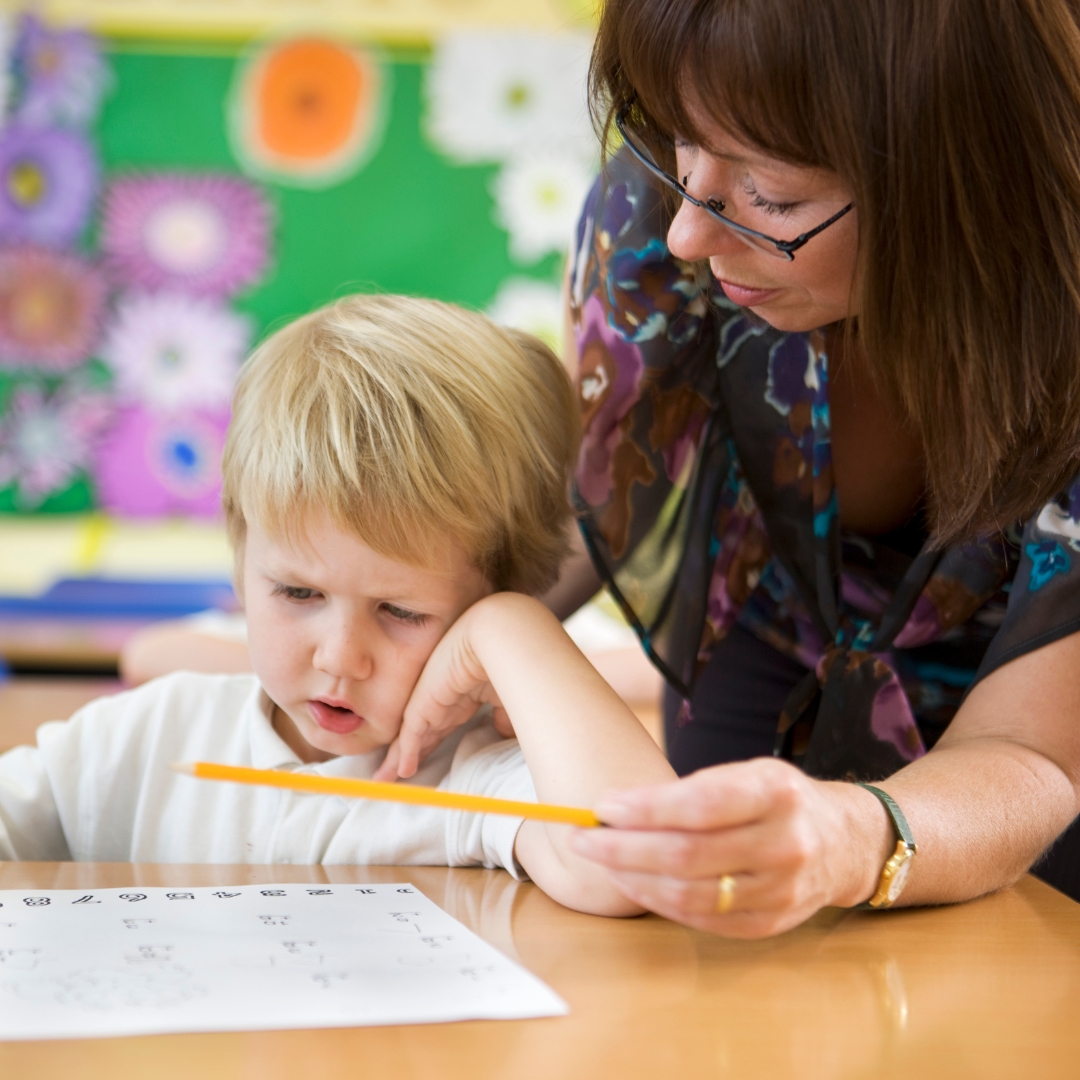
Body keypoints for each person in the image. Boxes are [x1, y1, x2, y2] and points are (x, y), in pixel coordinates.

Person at [501, 0, 1080, 936]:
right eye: (677, 138)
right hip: (760, 652)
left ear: (960, 172)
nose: (690, 232)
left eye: (772, 196)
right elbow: (601, 492)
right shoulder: (661, 216)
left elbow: (1034, 757)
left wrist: (850, 836)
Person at [0, 295, 673, 917]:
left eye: (401, 612)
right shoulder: (138, 741)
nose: (340, 657)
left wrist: (512, 625)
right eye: (298, 593)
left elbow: (631, 865)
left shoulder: (478, 773)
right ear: (241, 559)